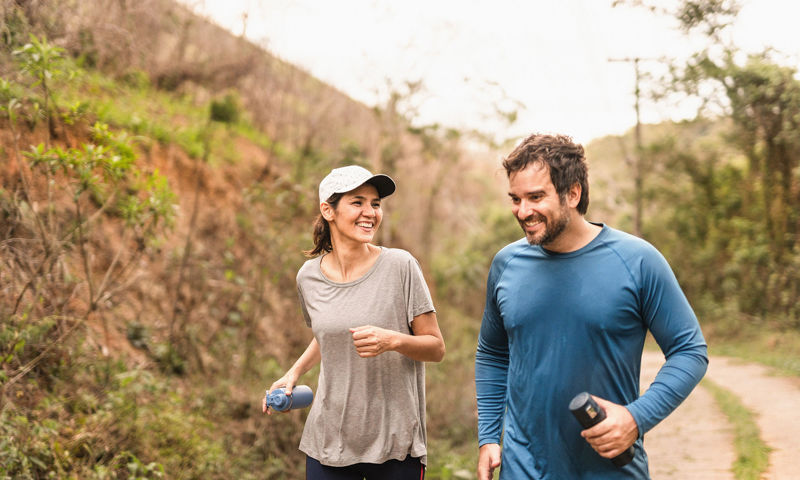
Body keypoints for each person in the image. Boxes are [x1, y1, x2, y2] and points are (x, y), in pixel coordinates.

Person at [474, 133, 708, 479]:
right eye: (515, 199)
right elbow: (492, 353)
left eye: (536, 197)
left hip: (608, 469)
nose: (523, 212)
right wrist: (489, 437)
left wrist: (635, 418)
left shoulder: (638, 261)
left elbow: (690, 351)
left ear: (573, 193)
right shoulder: (507, 264)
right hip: (523, 466)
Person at [264, 165, 446, 480]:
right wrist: (292, 373)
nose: (370, 212)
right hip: (329, 440)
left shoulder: (400, 266)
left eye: (375, 204)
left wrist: (393, 340)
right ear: (328, 210)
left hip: (394, 443)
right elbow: (327, 334)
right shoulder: (308, 277)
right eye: (357, 202)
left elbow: (436, 348)